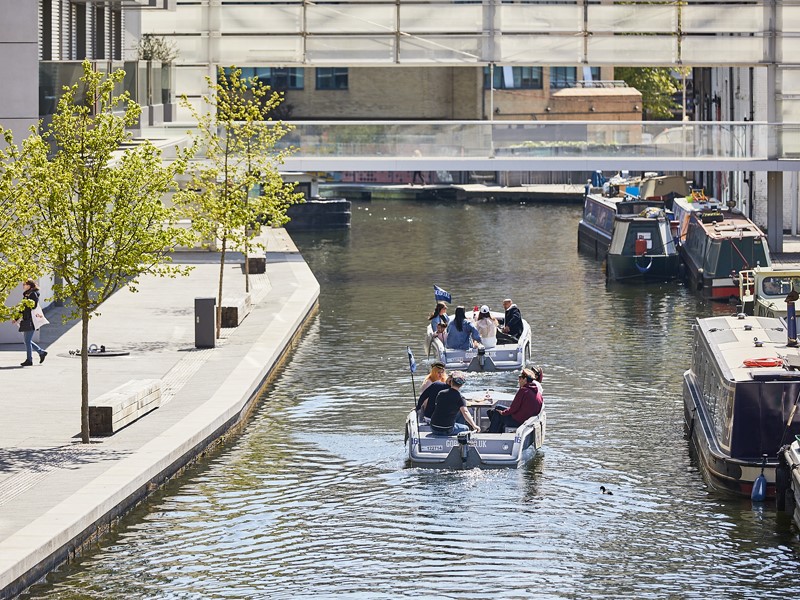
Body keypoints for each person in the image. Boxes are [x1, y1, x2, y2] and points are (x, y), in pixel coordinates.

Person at [486, 367, 543, 433]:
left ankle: (492, 433)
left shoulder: (523, 391)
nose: (519, 380)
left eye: (520, 378)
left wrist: (503, 413)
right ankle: (498, 430)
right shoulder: (538, 393)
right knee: (498, 408)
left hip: (519, 421)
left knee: (496, 412)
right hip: (528, 421)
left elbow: (513, 408)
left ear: (525, 379)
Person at [12, 279, 48, 367]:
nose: (23, 286)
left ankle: (29, 360)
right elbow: (22, 308)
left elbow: (33, 306)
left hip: (31, 320)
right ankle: (41, 352)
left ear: (29, 285)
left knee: (27, 340)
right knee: (27, 340)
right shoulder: (27, 294)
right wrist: (16, 318)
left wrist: (27, 303)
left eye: (25, 284)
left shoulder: (33, 294)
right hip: (26, 319)